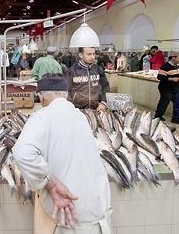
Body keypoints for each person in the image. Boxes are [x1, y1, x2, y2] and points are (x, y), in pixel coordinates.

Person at [13, 74, 111, 233]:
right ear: (66, 95)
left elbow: (22, 153)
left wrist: (49, 183)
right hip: (99, 214)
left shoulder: (42, 117)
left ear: (41, 97)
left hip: (69, 216)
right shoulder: (81, 116)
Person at [154, 52, 179, 121]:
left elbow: (177, 75)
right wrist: (171, 79)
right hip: (166, 89)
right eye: (178, 58)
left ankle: (175, 119)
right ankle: (157, 116)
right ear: (173, 58)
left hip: (175, 88)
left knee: (177, 103)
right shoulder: (165, 66)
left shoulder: (176, 66)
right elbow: (159, 77)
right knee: (164, 103)